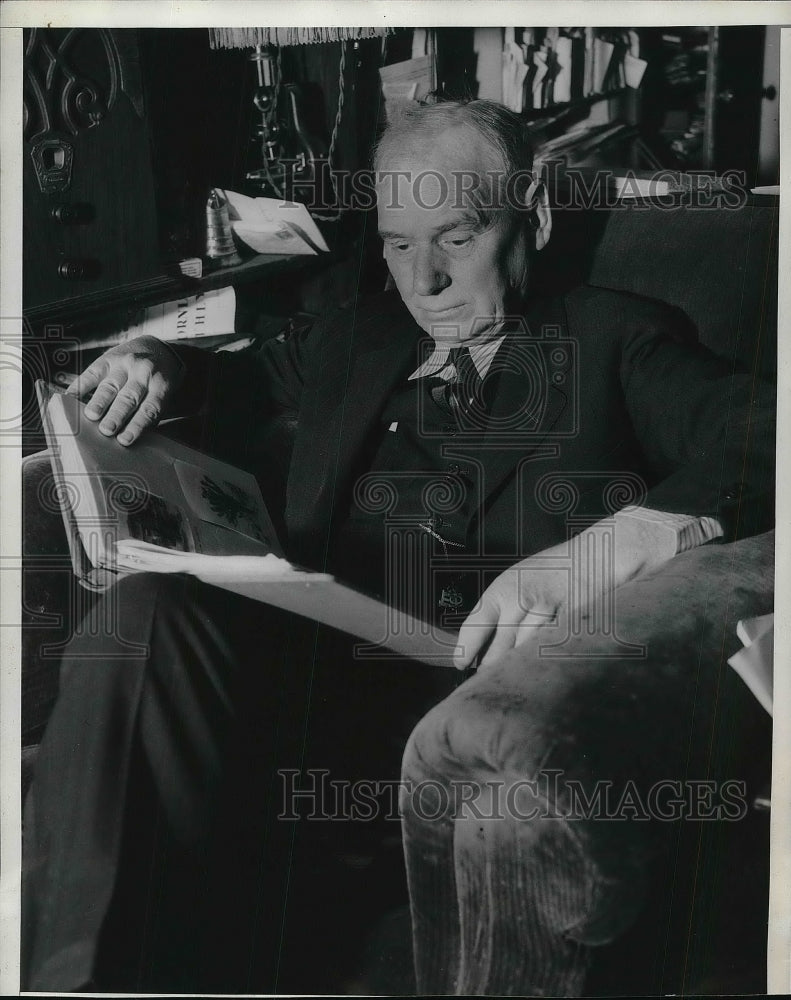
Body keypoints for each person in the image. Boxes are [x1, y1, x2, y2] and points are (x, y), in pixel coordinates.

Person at [22, 100, 774, 992]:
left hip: (456, 703)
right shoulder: (356, 332)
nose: (424, 281)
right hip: (296, 676)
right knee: (146, 610)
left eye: (455, 238)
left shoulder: (612, 337)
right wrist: (155, 354)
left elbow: (761, 432)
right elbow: (232, 369)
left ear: (528, 214)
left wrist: (602, 549)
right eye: (397, 242)